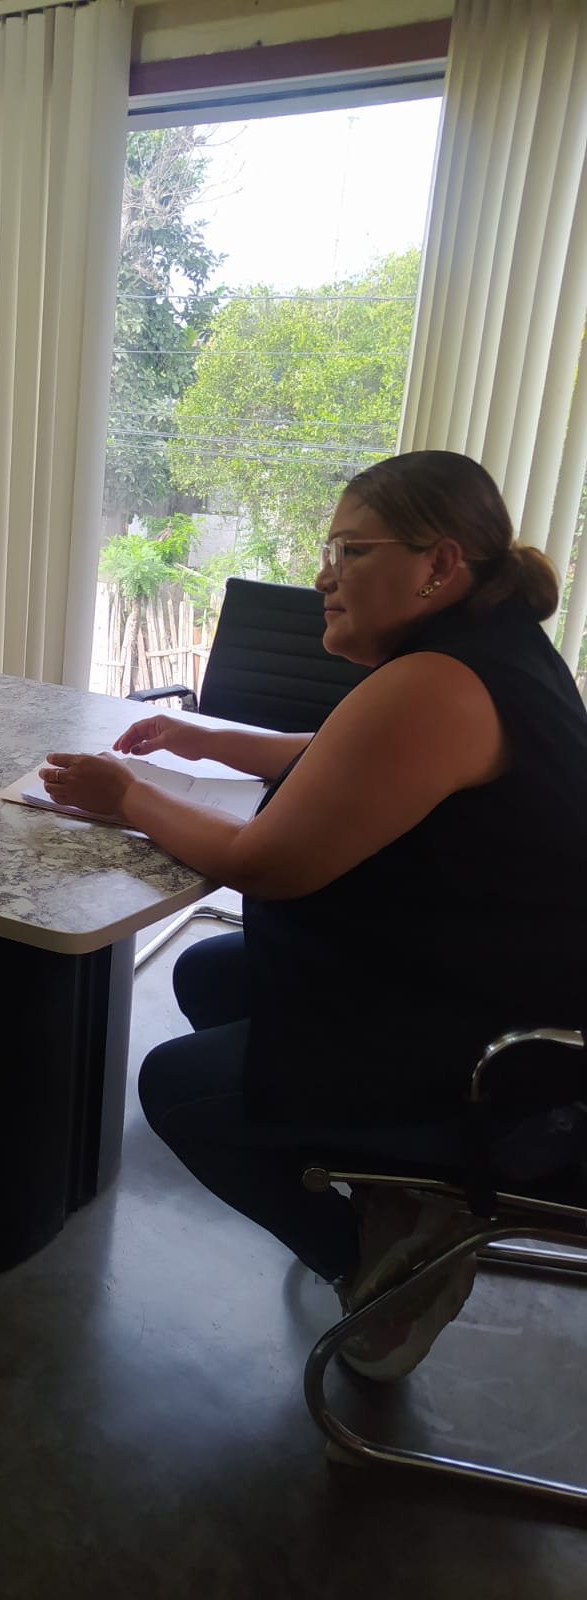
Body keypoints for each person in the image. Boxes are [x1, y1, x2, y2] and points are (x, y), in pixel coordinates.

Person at [41, 450, 587, 1380]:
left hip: (504, 1055)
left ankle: (388, 1276)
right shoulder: (485, 652)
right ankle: (388, 1188)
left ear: (439, 563)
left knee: (178, 1087)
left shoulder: (440, 682)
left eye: (350, 551)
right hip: (478, 978)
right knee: (209, 972)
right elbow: (348, 754)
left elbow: (267, 865)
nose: (324, 576)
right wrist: (203, 737)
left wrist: (127, 794)